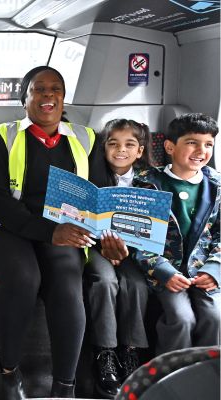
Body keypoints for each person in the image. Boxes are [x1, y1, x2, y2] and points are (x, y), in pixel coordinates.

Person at [0, 65, 104, 399]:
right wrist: (49, 233)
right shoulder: (3, 135)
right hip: (6, 226)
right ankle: (9, 370)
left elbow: (100, 196)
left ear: (63, 98)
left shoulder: (86, 138)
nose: (48, 95)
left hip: (64, 229)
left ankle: (64, 386)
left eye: (55, 89)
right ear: (25, 99)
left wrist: (107, 238)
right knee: (24, 277)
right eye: (39, 89)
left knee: (67, 282)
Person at [133, 113, 220, 355]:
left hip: (203, 270)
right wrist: (164, 271)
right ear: (170, 147)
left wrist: (214, 270)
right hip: (164, 271)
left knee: (216, 317)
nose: (201, 151)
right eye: (192, 142)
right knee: (182, 319)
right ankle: (171, 371)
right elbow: (138, 237)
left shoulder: (216, 185)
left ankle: (207, 373)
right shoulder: (147, 183)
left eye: (209, 144)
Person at [86, 119, 153, 397]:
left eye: (129, 144)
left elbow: (153, 231)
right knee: (105, 281)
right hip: (95, 247)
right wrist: (104, 247)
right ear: (104, 148)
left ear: (140, 150)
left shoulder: (150, 181)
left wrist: (124, 250)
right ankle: (105, 352)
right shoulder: (90, 175)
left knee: (136, 285)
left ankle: (131, 350)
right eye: (113, 144)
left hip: (132, 251)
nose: (121, 150)